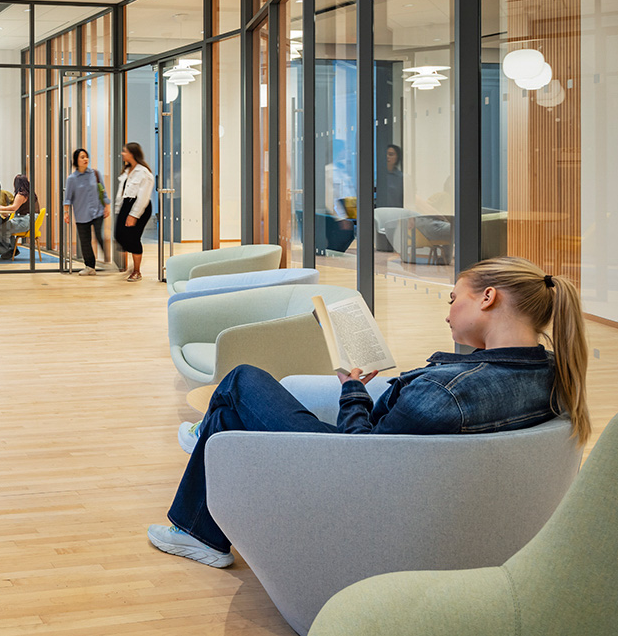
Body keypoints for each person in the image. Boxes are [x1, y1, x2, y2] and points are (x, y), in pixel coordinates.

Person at [148, 255, 590, 569]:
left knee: (241, 380)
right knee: (232, 406)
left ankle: (199, 511)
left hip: (352, 477)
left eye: (454, 298)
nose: (448, 312)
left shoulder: (444, 395)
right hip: (411, 486)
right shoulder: (553, 374)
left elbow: (362, 452)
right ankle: (209, 436)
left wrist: (354, 391)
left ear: (488, 297)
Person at [113, 143, 154, 281]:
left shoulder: (144, 173)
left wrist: (134, 215)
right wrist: (119, 208)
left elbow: (143, 197)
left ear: (132, 153)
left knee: (134, 238)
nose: (122, 154)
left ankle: (137, 271)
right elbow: (122, 192)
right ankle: (133, 262)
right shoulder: (127, 170)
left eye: (125, 152)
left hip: (138, 206)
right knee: (119, 234)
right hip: (126, 204)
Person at [63, 149, 107, 275]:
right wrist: (66, 213)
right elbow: (68, 198)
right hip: (81, 213)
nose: (85, 159)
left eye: (86, 157)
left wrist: (107, 205)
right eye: (82, 157)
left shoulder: (95, 174)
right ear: (76, 160)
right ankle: (90, 267)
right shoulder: (72, 179)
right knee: (85, 241)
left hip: (97, 212)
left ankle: (108, 260)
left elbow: (103, 191)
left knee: (99, 235)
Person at [0, 174, 33, 261]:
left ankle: (9, 250)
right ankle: (13, 249)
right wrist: (1, 208)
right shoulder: (29, 193)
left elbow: (13, 208)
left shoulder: (21, 194)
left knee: (0, 229)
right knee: (6, 227)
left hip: (24, 221)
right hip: (28, 220)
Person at [378, 143, 404, 209]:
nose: (387, 157)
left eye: (391, 154)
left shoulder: (402, 178)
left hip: (397, 214)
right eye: (385, 154)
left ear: (397, 157)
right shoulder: (378, 175)